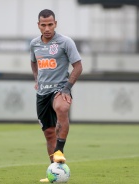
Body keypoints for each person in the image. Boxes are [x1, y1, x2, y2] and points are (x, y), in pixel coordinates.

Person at [30, 9, 83, 182]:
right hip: (42, 93)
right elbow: (33, 62)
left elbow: (78, 66)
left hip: (60, 89)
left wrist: (67, 88)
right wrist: (36, 79)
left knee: (62, 107)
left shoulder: (65, 42)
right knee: (49, 134)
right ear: (38, 25)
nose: (47, 28)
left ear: (55, 24)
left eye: (50, 24)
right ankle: (54, 172)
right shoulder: (34, 44)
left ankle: (60, 150)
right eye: (43, 25)